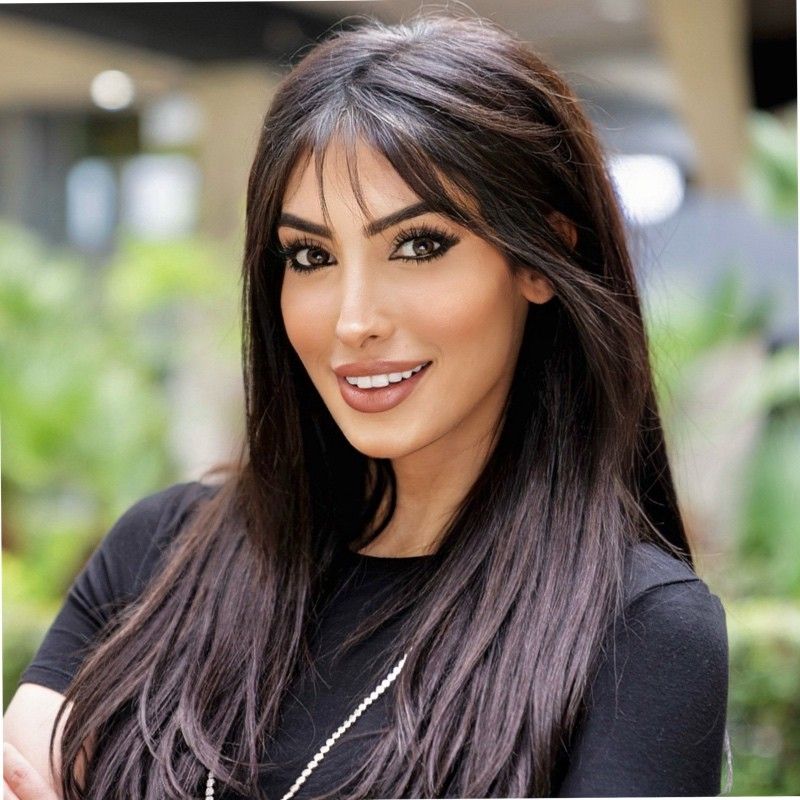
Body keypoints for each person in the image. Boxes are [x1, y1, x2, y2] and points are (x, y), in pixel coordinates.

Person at [3, 12, 730, 800]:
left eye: (418, 244)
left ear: (542, 257)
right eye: (311, 256)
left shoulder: (643, 633)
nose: (353, 320)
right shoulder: (159, 555)